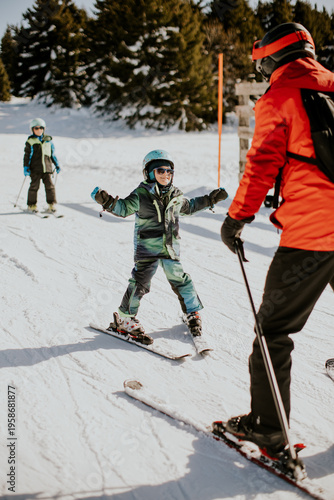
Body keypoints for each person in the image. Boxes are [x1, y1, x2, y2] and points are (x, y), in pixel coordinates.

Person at [220, 23, 334, 458]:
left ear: (271, 58)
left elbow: (262, 164)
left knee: (273, 330)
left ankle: (268, 429)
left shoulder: (280, 96)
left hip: (312, 229)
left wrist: (236, 219)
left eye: (261, 63)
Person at [92, 149, 228, 343]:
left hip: (170, 248)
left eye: (169, 171)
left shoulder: (175, 195)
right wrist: (107, 202)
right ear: (149, 173)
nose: (165, 175)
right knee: (140, 282)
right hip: (147, 248)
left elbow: (190, 206)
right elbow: (123, 208)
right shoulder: (141, 194)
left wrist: (211, 199)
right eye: (160, 171)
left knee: (181, 280)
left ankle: (192, 313)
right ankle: (124, 318)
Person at [23, 118, 61, 213]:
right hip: (35, 169)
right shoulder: (31, 141)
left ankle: (51, 204)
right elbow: (27, 156)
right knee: (34, 186)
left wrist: (57, 164)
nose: (39, 130)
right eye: (36, 128)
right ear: (32, 129)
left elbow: (52, 155)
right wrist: (26, 167)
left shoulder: (49, 141)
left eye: (41, 128)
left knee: (50, 187)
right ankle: (32, 205)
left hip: (47, 168)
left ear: (44, 129)